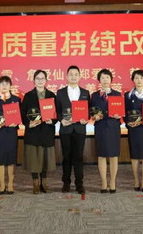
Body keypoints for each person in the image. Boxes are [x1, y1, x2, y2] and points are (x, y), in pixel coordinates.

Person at [21, 69, 58, 194]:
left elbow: (57, 113)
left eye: (42, 78)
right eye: (38, 78)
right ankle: (35, 182)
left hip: (46, 131)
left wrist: (52, 120)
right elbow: (22, 113)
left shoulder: (52, 96)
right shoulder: (28, 96)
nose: (40, 81)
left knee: (45, 159)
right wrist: (28, 123)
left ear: (46, 80)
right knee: (34, 158)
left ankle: (44, 182)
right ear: (34, 80)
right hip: (33, 132)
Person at [56, 65, 90, 194]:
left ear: (80, 76)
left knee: (78, 157)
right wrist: (61, 120)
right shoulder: (60, 92)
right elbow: (57, 111)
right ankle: (66, 183)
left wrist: (86, 118)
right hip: (66, 129)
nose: (73, 77)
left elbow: (88, 111)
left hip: (79, 129)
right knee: (66, 157)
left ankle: (79, 184)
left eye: (76, 74)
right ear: (67, 76)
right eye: (71, 74)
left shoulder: (85, 93)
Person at [89, 69, 122, 193]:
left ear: (111, 80)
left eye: (107, 77)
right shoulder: (95, 95)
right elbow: (91, 110)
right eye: (102, 78)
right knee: (101, 155)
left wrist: (119, 115)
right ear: (99, 80)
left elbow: (121, 110)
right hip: (101, 127)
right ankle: (103, 182)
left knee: (113, 155)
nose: (105, 80)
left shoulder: (117, 94)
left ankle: (112, 181)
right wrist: (94, 117)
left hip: (113, 127)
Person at [0, 76, 21, 195]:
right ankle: (2, 185)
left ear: (10, 86)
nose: (4, 86)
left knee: (11, 158)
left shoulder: (16, 99)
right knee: (0, 158)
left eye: (6, 83)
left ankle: (10, 185)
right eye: (2, 84)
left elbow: (20, 116)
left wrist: (16, 122)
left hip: (11, 132)